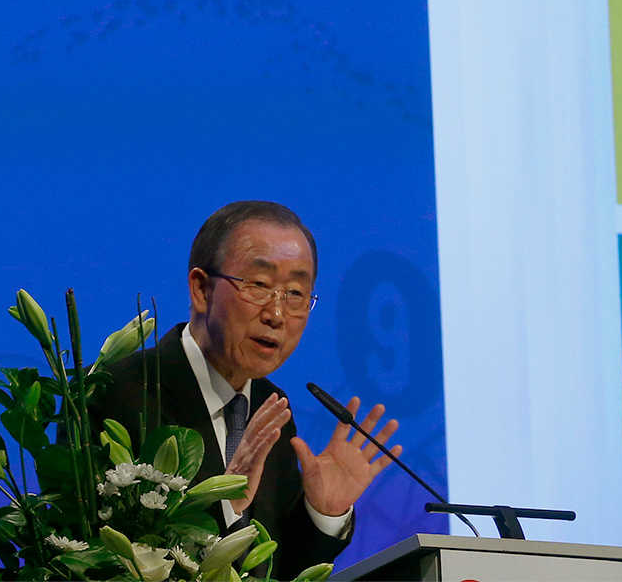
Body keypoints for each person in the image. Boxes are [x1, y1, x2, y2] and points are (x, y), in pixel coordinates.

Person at [91, 202, 402, 578]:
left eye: (296, 293)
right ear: (201, 289)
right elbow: (97, 555)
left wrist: (324, 513)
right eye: (259, 285)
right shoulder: (118, 393)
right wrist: (224, 507)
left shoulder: (272, 411)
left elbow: (278, 571)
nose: (276, 314)